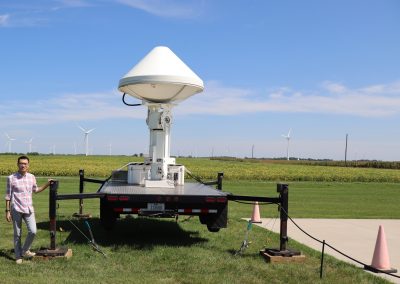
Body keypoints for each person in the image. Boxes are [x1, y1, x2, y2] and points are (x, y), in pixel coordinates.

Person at [5, 155, 52, 264]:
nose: (23, 165)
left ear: (28, 165)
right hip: (16, 208)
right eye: (21, 163)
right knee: (17, 233)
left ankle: (25, 250)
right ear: (18, 164)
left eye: (25, 164)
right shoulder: (11, 178)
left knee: (33, 230)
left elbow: (36, 190)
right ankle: (18, 256)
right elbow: (8, 196)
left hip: (29, 208)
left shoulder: (31, 177)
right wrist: (7, 211)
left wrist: (47, 184)